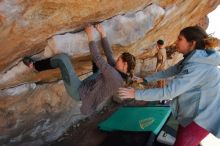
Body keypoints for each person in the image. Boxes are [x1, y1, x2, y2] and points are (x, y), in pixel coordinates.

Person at [118, 25, 220, 146]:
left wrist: (136, 93)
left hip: (204, 117)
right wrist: (145, 80)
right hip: (193, 112)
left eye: (180, 39)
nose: (176, 42)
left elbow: (169, 92)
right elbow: (169, 71)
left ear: (192, 44)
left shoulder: (197, 66)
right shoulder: (192, 59)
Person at [23, 24, 136, 115]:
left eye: (120, 59)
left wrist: (90, 35)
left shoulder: (115, 77)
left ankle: (34, 66)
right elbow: (109, 54)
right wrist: (103, 34)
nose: (117, 60)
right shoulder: (119, 72)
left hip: (79, 92)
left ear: (125, 65)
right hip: (91, 85)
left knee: (63, 59)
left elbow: (98, 58)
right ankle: (95, 73)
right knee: (100, 68)